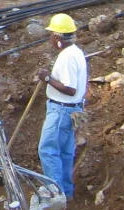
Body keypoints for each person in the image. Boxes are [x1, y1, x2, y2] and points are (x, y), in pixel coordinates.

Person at [35, 13, 88, 198]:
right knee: (65, 152)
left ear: (57, 37)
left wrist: (47, 78)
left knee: (48, 150)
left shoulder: (67, 57)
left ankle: (56, 195)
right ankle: (66, 193)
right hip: (74, 109)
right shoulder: (76, 52)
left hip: (62, 110)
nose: (50, 39)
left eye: (52, 35)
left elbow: (70, 89)